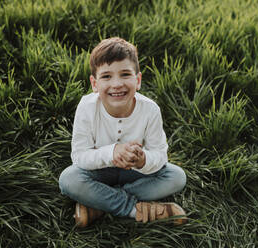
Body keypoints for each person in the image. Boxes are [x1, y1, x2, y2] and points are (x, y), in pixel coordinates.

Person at [58, 37, 187, 227]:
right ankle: (134, 209)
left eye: (125, 74)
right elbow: (79, 156)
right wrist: (112, 153)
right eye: (107, 76)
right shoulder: (86, 107)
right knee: (69, 179)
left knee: (176, 177)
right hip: (99, 171)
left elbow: (160, 154)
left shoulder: (150, 110)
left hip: (135, 172)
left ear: (138, 80)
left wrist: (143, 160)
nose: (117, 84)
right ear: (94, 84)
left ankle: (100, 204)